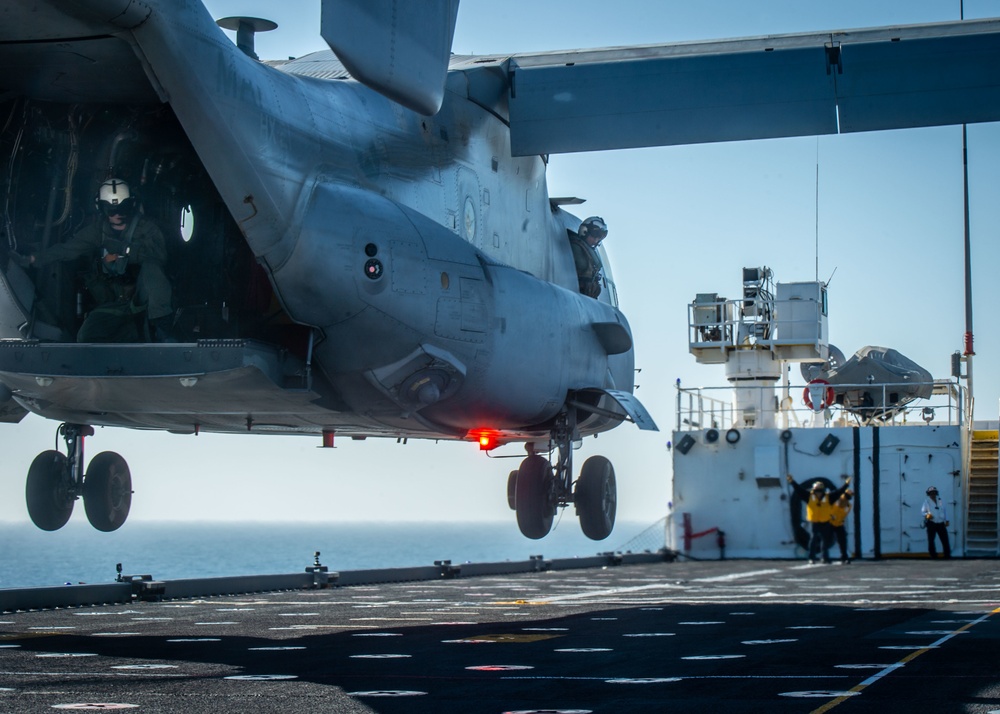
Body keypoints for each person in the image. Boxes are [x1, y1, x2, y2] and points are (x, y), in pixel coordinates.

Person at [19, 178, 174, 342]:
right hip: (114, 304)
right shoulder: (98, 231)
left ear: (131, 205)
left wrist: (125, 252)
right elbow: (67, 249)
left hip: (145, 299)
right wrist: (34, 259)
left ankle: (163, 330)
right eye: (111, 210)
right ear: (102, 209)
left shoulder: (147, 229)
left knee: (152, 268)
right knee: (86, 336)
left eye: (123, 208)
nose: (118, 214)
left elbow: (158, 257)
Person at [786, 474, 852, 564]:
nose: (818, 493)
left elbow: (838, 493)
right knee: (813, 539)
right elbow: (799, 490)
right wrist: (792, 482)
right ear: (813, 490)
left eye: (820, 491)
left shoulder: (829, 498)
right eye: (817, 491)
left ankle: (825, 557)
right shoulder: (809, 497)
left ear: (823, 491)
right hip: (815, 521)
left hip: (825, 521)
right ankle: (811, 558)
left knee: (825, 541)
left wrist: (846, 485)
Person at [568, 216, 608, 298]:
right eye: (594, 236)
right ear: (584, 231)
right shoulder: (576, 247)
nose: (596, 240)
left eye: (599, 237)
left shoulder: (588, 250)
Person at [921, 486, 951, 558]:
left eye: (934, 493)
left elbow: (944, 510)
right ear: (929, 494)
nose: (933, 494)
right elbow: (923, 512)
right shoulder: (926, 502)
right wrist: (927, 515)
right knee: (931, 540)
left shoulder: (940, 500)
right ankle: (933, 555)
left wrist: (947, 520)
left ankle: (947, 555)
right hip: (931, 523)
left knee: (945, 540)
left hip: (940, 523)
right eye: (931, 493)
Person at [829, 489, 853, 564]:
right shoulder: (836, 500)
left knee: (842, 540)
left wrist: (840, 520)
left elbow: (844, 514)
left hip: (839, 523)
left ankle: (844, 556)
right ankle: (824, 556)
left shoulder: (849, 505)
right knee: (826, 539)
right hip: (829, 523)